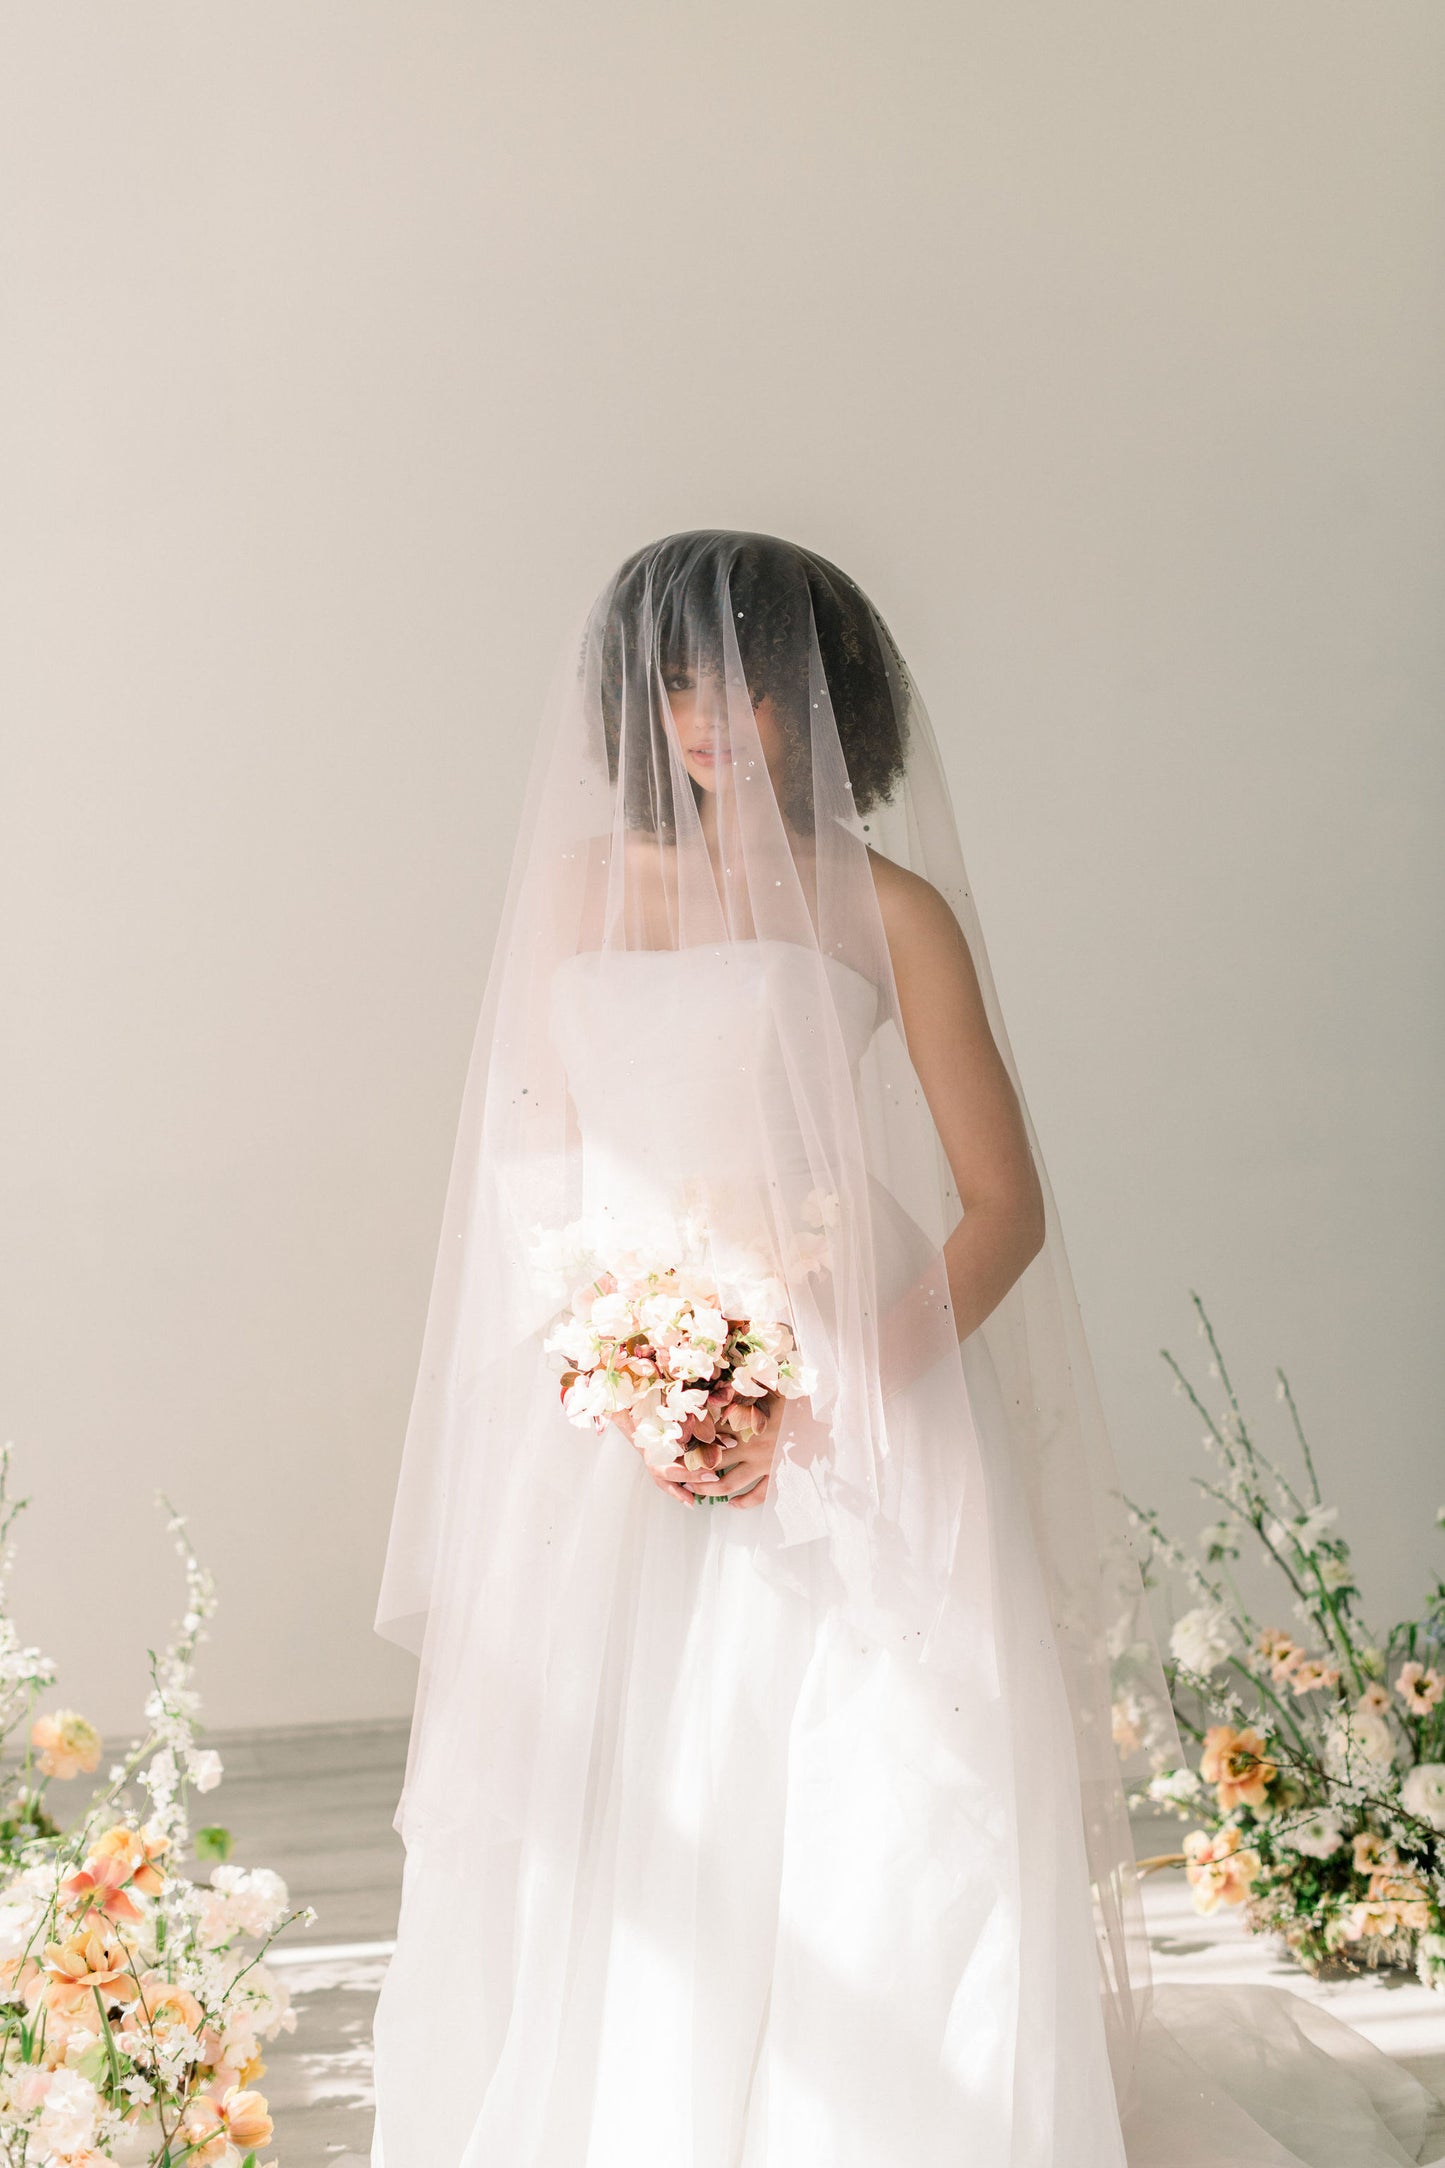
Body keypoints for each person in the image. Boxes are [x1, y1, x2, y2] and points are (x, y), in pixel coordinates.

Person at [369, 531, 1438, 2167]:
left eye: (742, 680)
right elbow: (530, 1156)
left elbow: (999, 1205)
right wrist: (614, 1362)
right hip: (616, 1398)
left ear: (821, 695)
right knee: (633, 1792)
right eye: (673, 682)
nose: (707, 717)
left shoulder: (887, 908)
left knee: (862, 1789)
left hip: (854, 1387)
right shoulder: (579, 891)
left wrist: (829, 1389)